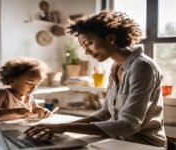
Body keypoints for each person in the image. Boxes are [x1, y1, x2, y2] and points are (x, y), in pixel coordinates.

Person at [24, 10, 167, 148]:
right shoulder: (115, 67)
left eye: (88, 43)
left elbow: (128, 126)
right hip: (118, 142)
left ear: (111, 38)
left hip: (143, 146)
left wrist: (64, 127)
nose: (86, 51)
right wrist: (58, 128)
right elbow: (105, 113)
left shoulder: (142, 67)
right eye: (83, 47)